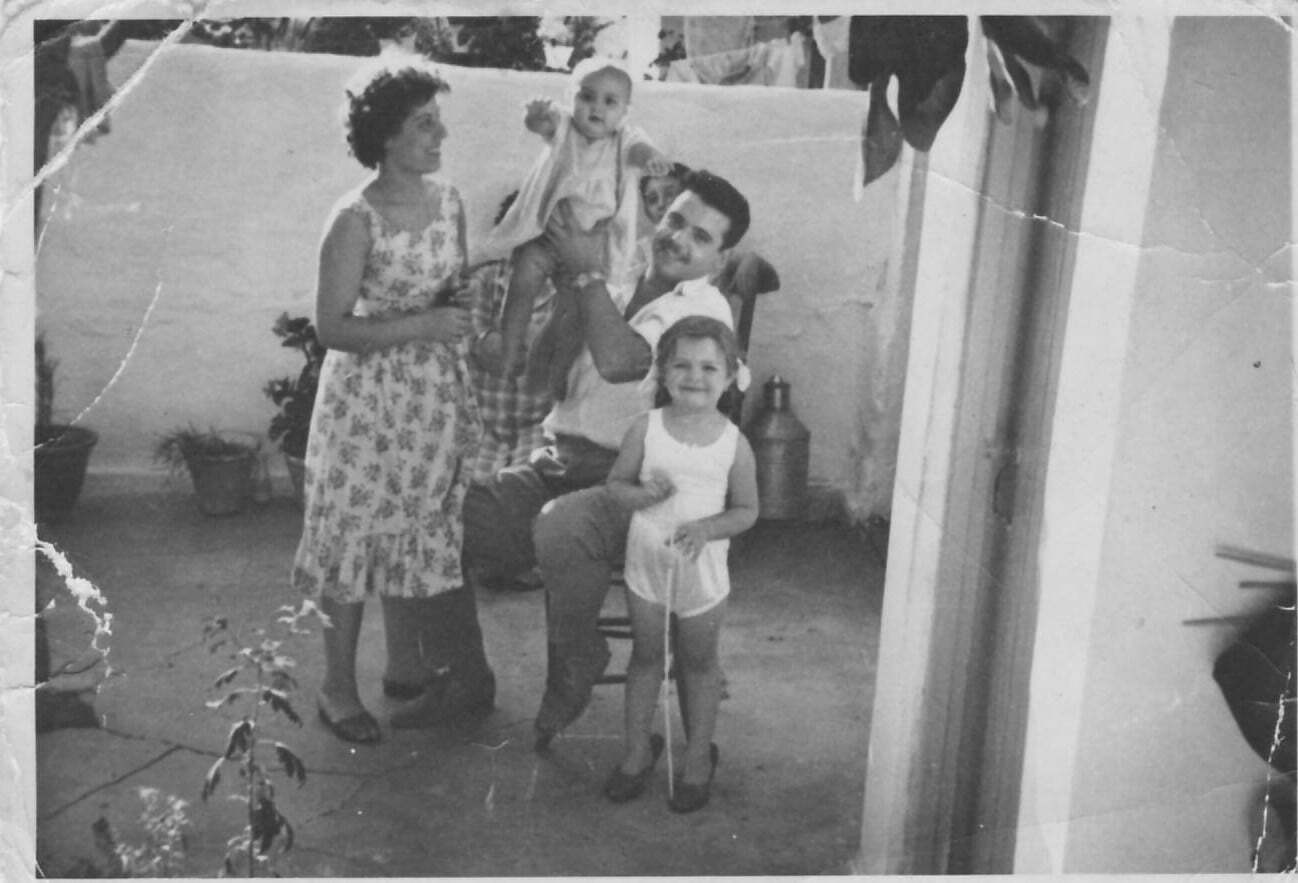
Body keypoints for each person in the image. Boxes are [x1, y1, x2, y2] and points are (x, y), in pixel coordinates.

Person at [462, 168, 753, 744]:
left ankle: (575, 659)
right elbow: (543, 381)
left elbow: (621, 363)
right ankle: (461, 675)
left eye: (700, 237)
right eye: (675, 221)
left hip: (648, 489)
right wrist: (574, 289)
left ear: (718, 260)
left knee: (563, 527)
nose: (678, 239)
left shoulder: (703, 309)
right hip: (561, 463)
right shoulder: (620, 284)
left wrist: (588, 274)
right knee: (453, 513)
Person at [292, 63, 493, 744]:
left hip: (430, 393)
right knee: (353, 534)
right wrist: (423, 324)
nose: (441, 135)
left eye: (439, 120)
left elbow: (449, 287)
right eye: (423, 123)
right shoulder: (354, 219)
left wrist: (458, 307)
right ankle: (337, 687)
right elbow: (331, 327)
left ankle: (404, 665)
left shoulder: (451, 201)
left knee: (414, 523)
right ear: (384, 135)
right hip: (365, 401)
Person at [601, 316, 758, 812]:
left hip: (701, 576)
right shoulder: (645, 429)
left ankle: (697, 758)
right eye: (682, 365)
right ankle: (635, 752)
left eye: (709, 367)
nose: (695, 376)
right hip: (646, 569)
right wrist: (643, 495)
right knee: (646, 658)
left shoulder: (734, 443)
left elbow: (747, 510)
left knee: (700, 664)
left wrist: (707, 528)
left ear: (729, 377)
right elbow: (616, 485)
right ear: (663, 373)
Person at [478, 56, 674, 392]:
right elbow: (543, 125)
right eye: (587, 96)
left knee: (574, 313)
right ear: (572, 98)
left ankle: (558, 379)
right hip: (545, 235)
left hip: (590, 243)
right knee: (523, 279)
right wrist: (535, 116)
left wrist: (651, 158)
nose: (596, 107)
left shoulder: (624, 139)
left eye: (610, 102)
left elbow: (639, 150)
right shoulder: (565, 127)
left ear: (624, 112)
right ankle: (509, 349)